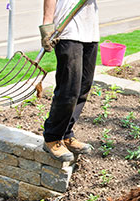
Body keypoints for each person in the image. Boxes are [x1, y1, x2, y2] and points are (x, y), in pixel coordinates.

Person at [39, 0, 98, 162]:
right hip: (68, 31)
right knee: (69, 89)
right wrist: (47, 22)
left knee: (83, 87)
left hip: (90, 29)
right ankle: (52, 137)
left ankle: (66, 133)